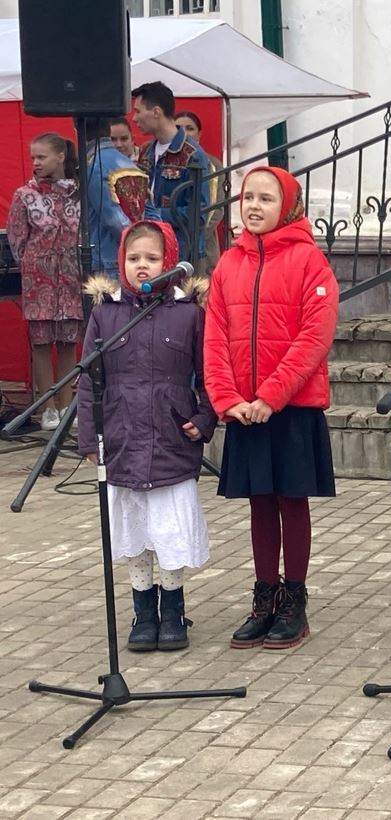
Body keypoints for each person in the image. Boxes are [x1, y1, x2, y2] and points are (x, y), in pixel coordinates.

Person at [204, 167, 339, 651]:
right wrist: (227, 399)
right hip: (244, 410)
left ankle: (294, 602)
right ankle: (264, 597)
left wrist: (271, 396)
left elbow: (313, 338)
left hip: (291, 407)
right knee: (260, 502)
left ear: (289, 206)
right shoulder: (227, 265)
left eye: (266, 198)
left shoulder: (310, 262)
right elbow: (215, 336)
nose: (254, 206)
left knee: (290, 500)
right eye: (247, 198)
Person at [77, 220, 215, 651]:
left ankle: (172, 609)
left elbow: (209, 374)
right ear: (121, 262)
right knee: (135, 530)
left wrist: (205, 418)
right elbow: (87, 381)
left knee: (169, 529)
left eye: (152, 259)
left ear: (169, 263)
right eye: (134, 258)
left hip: (172, 439)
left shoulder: (189, 313)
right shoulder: (105, 314)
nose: (142, 266)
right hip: (122, 438)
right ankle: (143, 610)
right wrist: (88, 440)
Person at [6, 133, 82, 430]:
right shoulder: (24, 194)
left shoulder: (79, 192)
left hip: (72, 278)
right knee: (40, 343)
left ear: (60, 157)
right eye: (33, 157)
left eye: (42, 156)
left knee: (67, 342)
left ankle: (66, 404)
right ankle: (46, 408)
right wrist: (34, 264)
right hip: (39, 280)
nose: (36, 162)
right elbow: (16, 239)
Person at [132, 81, 209, 267]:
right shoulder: (146, 151)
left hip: (181, 254)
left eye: (138, 111)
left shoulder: (192, 155)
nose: (134, 118)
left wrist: (154, 215)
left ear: (156, 112)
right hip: (149, 250)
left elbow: (199, 213)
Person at [84, 129, 152, 280]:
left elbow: (113, 219)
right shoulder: (132, 165)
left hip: (109, 255)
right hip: (136, 253)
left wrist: (135, 243)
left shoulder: (95, 165)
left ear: (77, 131)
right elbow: (151, 212)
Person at [175, 110, 224, 277]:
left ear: (199, 133)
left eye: (190, 128)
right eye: (179, 127)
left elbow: (216, 210)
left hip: (204, 245)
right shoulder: (168, 162)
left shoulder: (213, 164)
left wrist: (196, 235)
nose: (184, 132)